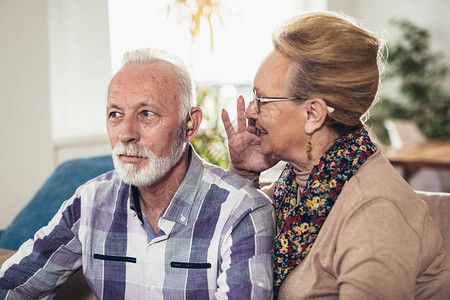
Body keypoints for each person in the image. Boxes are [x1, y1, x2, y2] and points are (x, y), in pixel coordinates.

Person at [0, 48, 275, 299]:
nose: (126, 134)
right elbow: (12, 286)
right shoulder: (89, 203)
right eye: (115, 114)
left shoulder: (243, 211)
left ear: (190, 125)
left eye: (146, 113)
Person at [221, 12, 450, 299]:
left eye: (262, 99)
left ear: (313, 114)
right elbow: (226, 245)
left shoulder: (375, 216)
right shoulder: (298, 187)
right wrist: (245, 172)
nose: (251, 112)